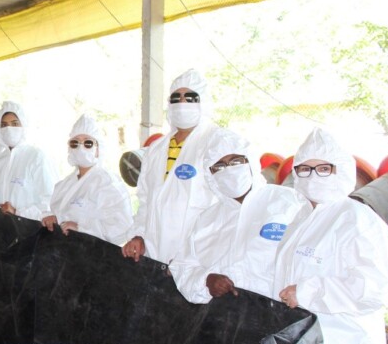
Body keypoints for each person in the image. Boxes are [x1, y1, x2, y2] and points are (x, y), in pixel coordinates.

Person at [274, 128, 388, 344]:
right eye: (304, 169)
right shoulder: (301, 219)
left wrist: (306, 291)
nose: (313, 176)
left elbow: (372, 289)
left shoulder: (359, 221)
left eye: (323, 168)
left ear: (341, 170)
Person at [170, 128, 308, 304]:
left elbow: (310, 258)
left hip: (279, 317)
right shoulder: (207, 219)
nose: (229, 170)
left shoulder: (288, 202)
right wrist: (206, 280)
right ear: (210, 174)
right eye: (219, 166)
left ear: (250, 162)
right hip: (222, 320)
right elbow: (182, 267)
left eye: (236, 161)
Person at [122, 69, 219, 265]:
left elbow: (226, 209)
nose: (182, 103)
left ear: (204, 102)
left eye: (190, 97)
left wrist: (196, 255)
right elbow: (145, 201)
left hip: (197, 260)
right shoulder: (156, 150)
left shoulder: (217, 144)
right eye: (176, 98)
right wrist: (139, 235)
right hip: (154, 255)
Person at [42, 113, 132, 244]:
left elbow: (122, 228)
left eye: (88, 143)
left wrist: (82, 228)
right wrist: (51, 218)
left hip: (93, 258)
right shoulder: (63, 185)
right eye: (75, 143)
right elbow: (58, 215)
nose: (81, 147)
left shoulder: (108, 183)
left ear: (98, 148)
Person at [0, 101, 54, 220]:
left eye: (15, 124)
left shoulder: (36, 156)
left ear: (24, 125)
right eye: (4, 125)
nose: (9, 128)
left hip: (29, 229)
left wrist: (18, 212)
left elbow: (49, 201)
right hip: (2, 229)